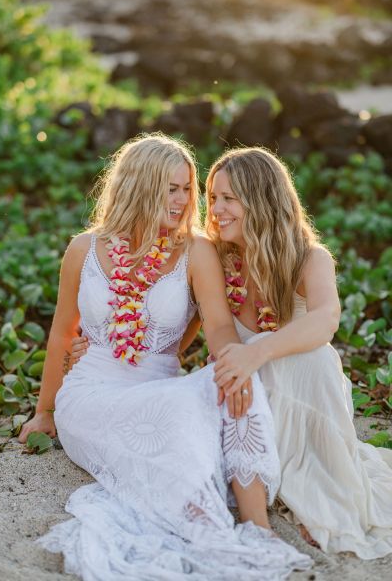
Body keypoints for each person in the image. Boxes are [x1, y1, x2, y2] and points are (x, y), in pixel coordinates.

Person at [19, 134, 311, 580]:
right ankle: (202, 521)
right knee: (179, 410)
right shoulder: (85, 249)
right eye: (169, 189)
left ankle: (258, 528)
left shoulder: (195, 250)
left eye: (185, 189)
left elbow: (216, 324)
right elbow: (63, 332)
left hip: (160, 385)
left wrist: (231, 362)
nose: (181, 201)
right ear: (137, 185)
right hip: (90, 393)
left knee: (233, 377)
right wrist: (44, 412)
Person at [206, 147, 392, 559]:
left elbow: (326, 319)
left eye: (228, 199)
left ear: (261, 200)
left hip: (306, 395)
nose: (216, 209)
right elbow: (192, 323)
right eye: (213, 198)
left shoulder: (310, 258)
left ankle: (319, 494)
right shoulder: (217, 261)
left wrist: (255, 353)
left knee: (314, 358)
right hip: (243, 394)